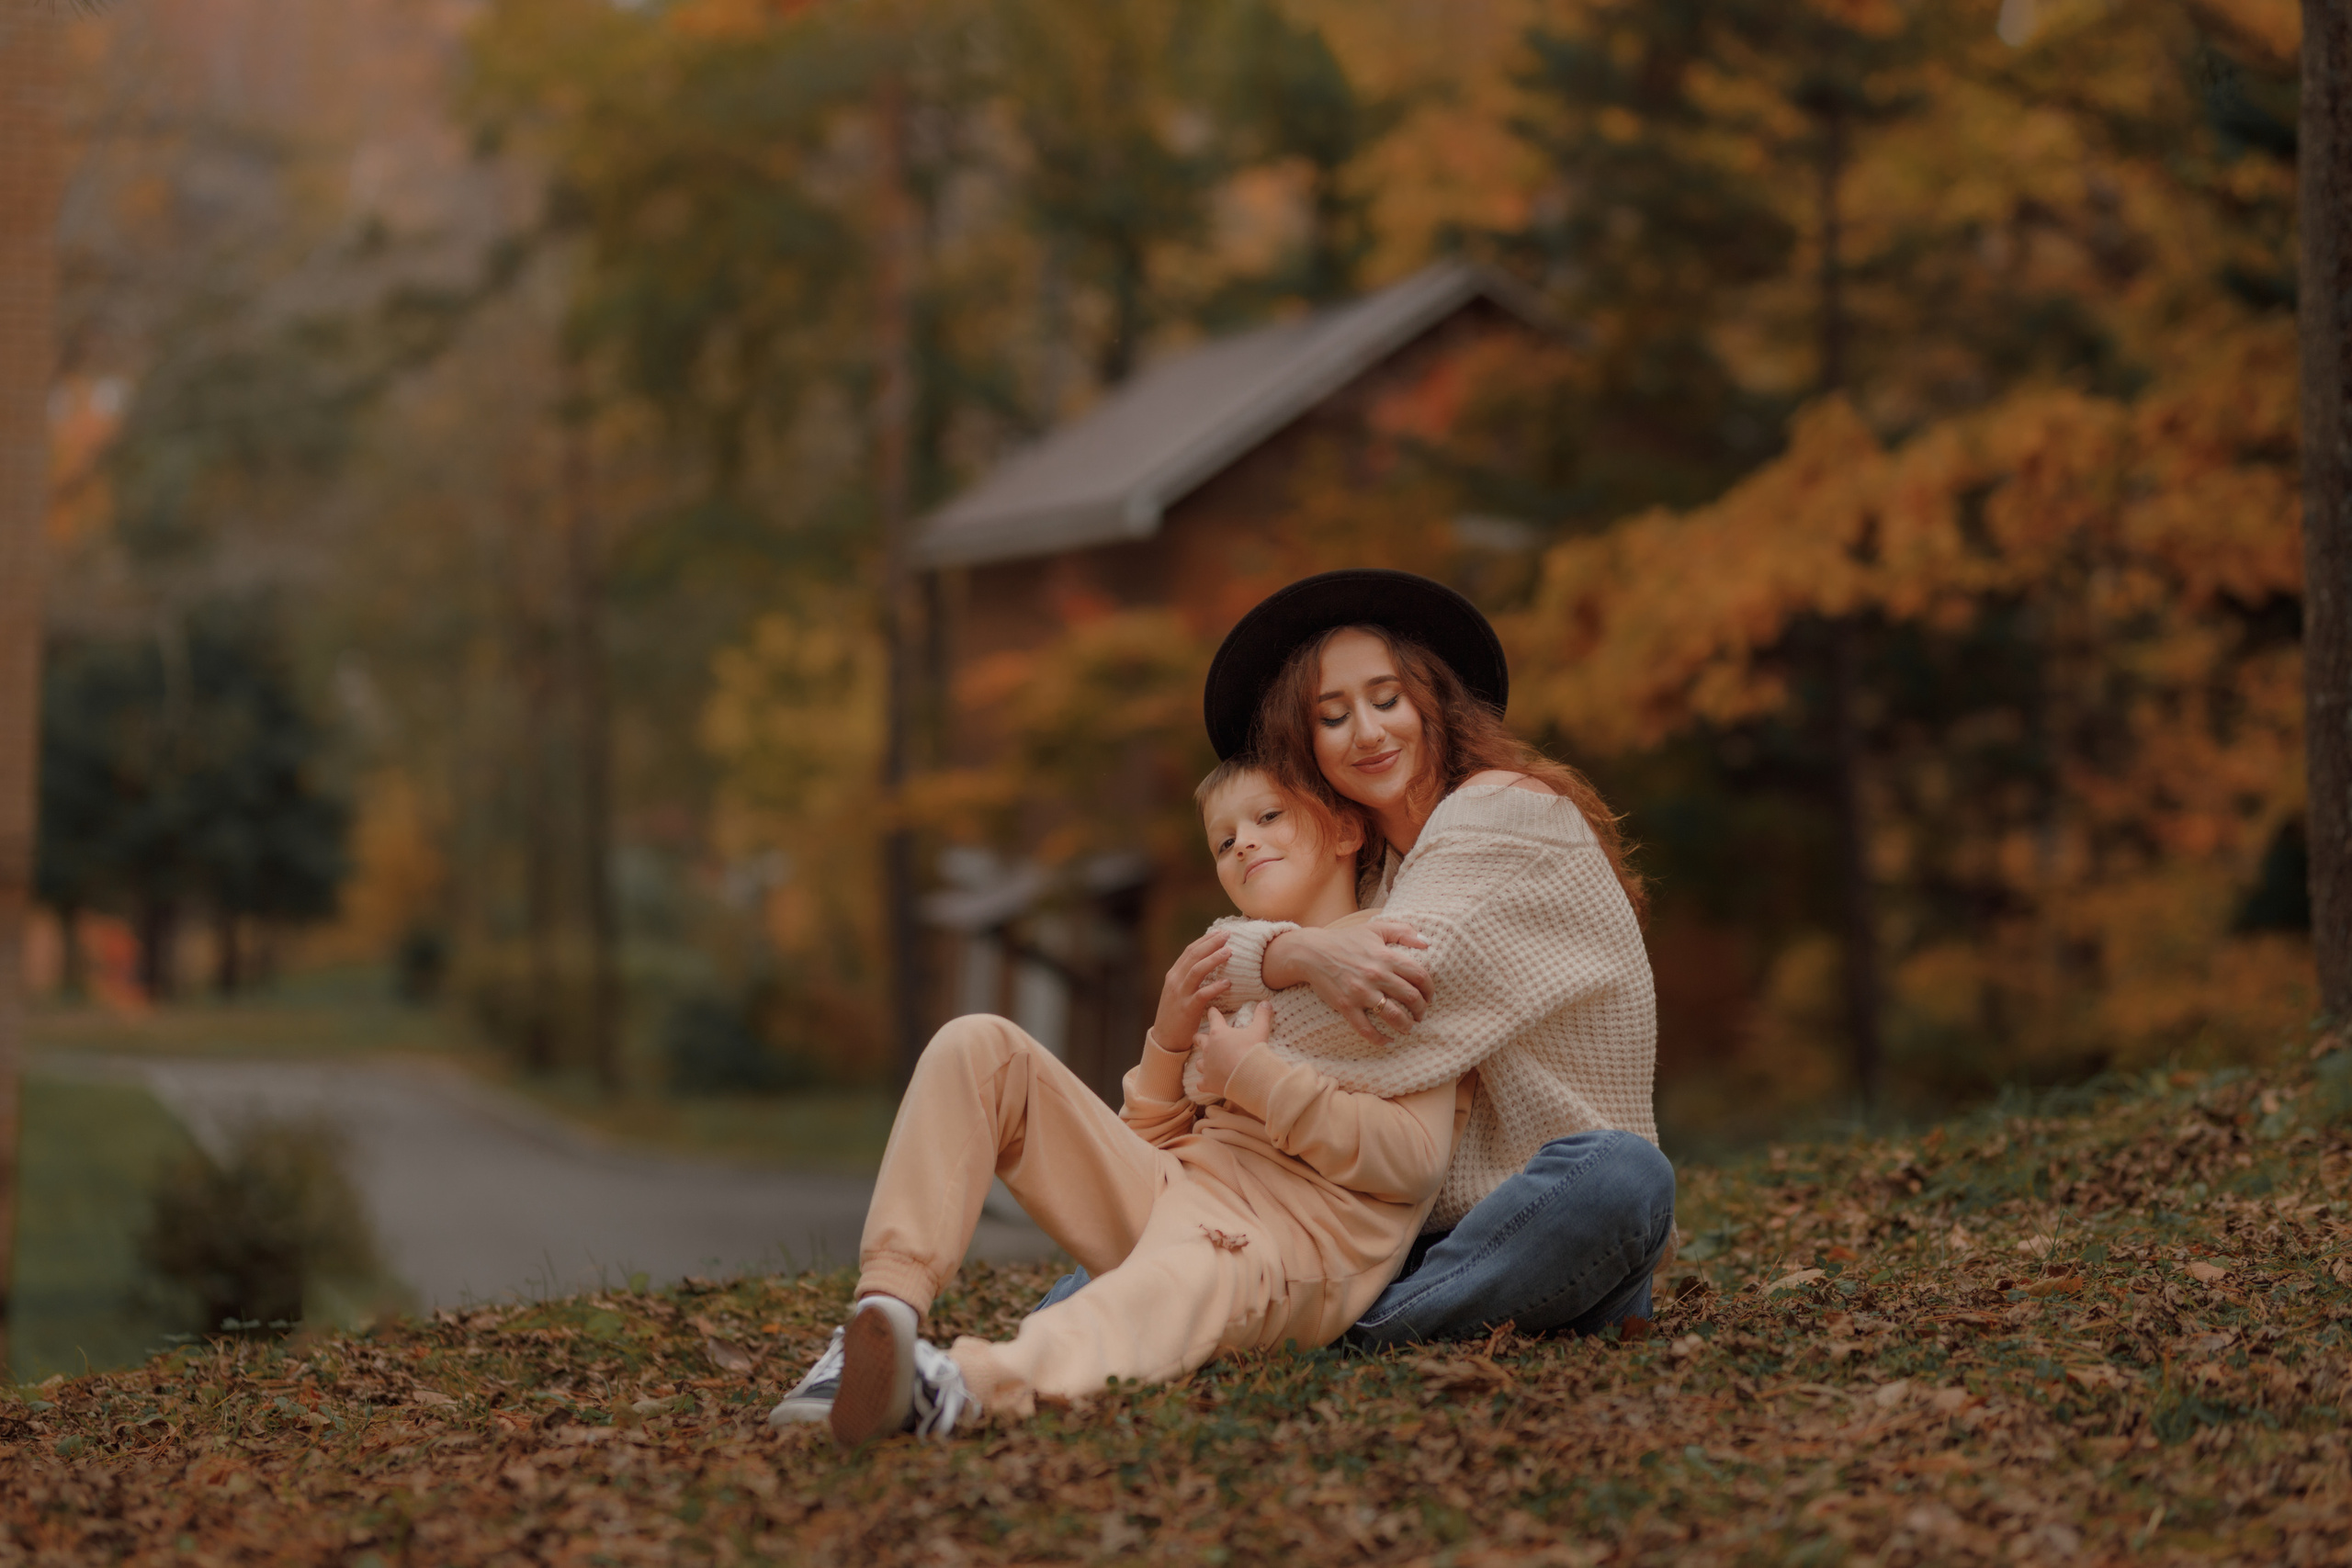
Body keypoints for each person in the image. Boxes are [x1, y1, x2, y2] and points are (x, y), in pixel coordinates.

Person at [769, 756, 1474, 1444]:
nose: (1244, 842)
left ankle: (962, 1383)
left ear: (1346, 830)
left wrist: (1254, 1078)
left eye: (1268, 816)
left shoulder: (1397, 956)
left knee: (1165, 1283)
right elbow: (1147, 1146)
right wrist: (1167, 1040)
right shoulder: (1230, 967)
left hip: (1284, 1244)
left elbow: (1413, 1163)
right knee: (978, 1043)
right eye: (1224, 840)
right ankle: (881, 1317)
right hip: (1177, 1188)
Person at [1200, 569, 1676, 1345]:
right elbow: (1229, 980)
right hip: (1393, 1229)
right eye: (1332, 716)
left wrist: (1226, 1048)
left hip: (1541, 1220)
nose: (1367, 732)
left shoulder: (1498, 812)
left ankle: (1348, 1335)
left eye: (1387, 699)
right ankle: (1054, 1342)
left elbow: (1364, 1018)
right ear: (1303, 746)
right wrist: (1296, 950)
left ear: (1433, 702)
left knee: (1624, 1173)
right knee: (1188, 1210)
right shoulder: (1371, 876)